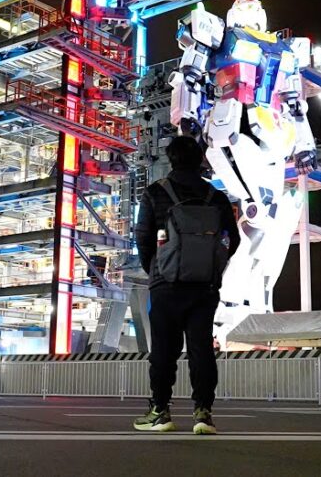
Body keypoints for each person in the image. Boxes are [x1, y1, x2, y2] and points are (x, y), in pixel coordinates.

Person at [132, 135, 240, 434]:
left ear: (170, 158)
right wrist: (214, 265)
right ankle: (203, 414)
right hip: (204, 286)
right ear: (200, 160)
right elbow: (233, 239)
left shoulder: (155, 193)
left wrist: (156, 269)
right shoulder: (215, 197)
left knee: (164, 351)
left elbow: (142, 238)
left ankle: (160, 412)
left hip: (165, 285)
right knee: (201, 349)